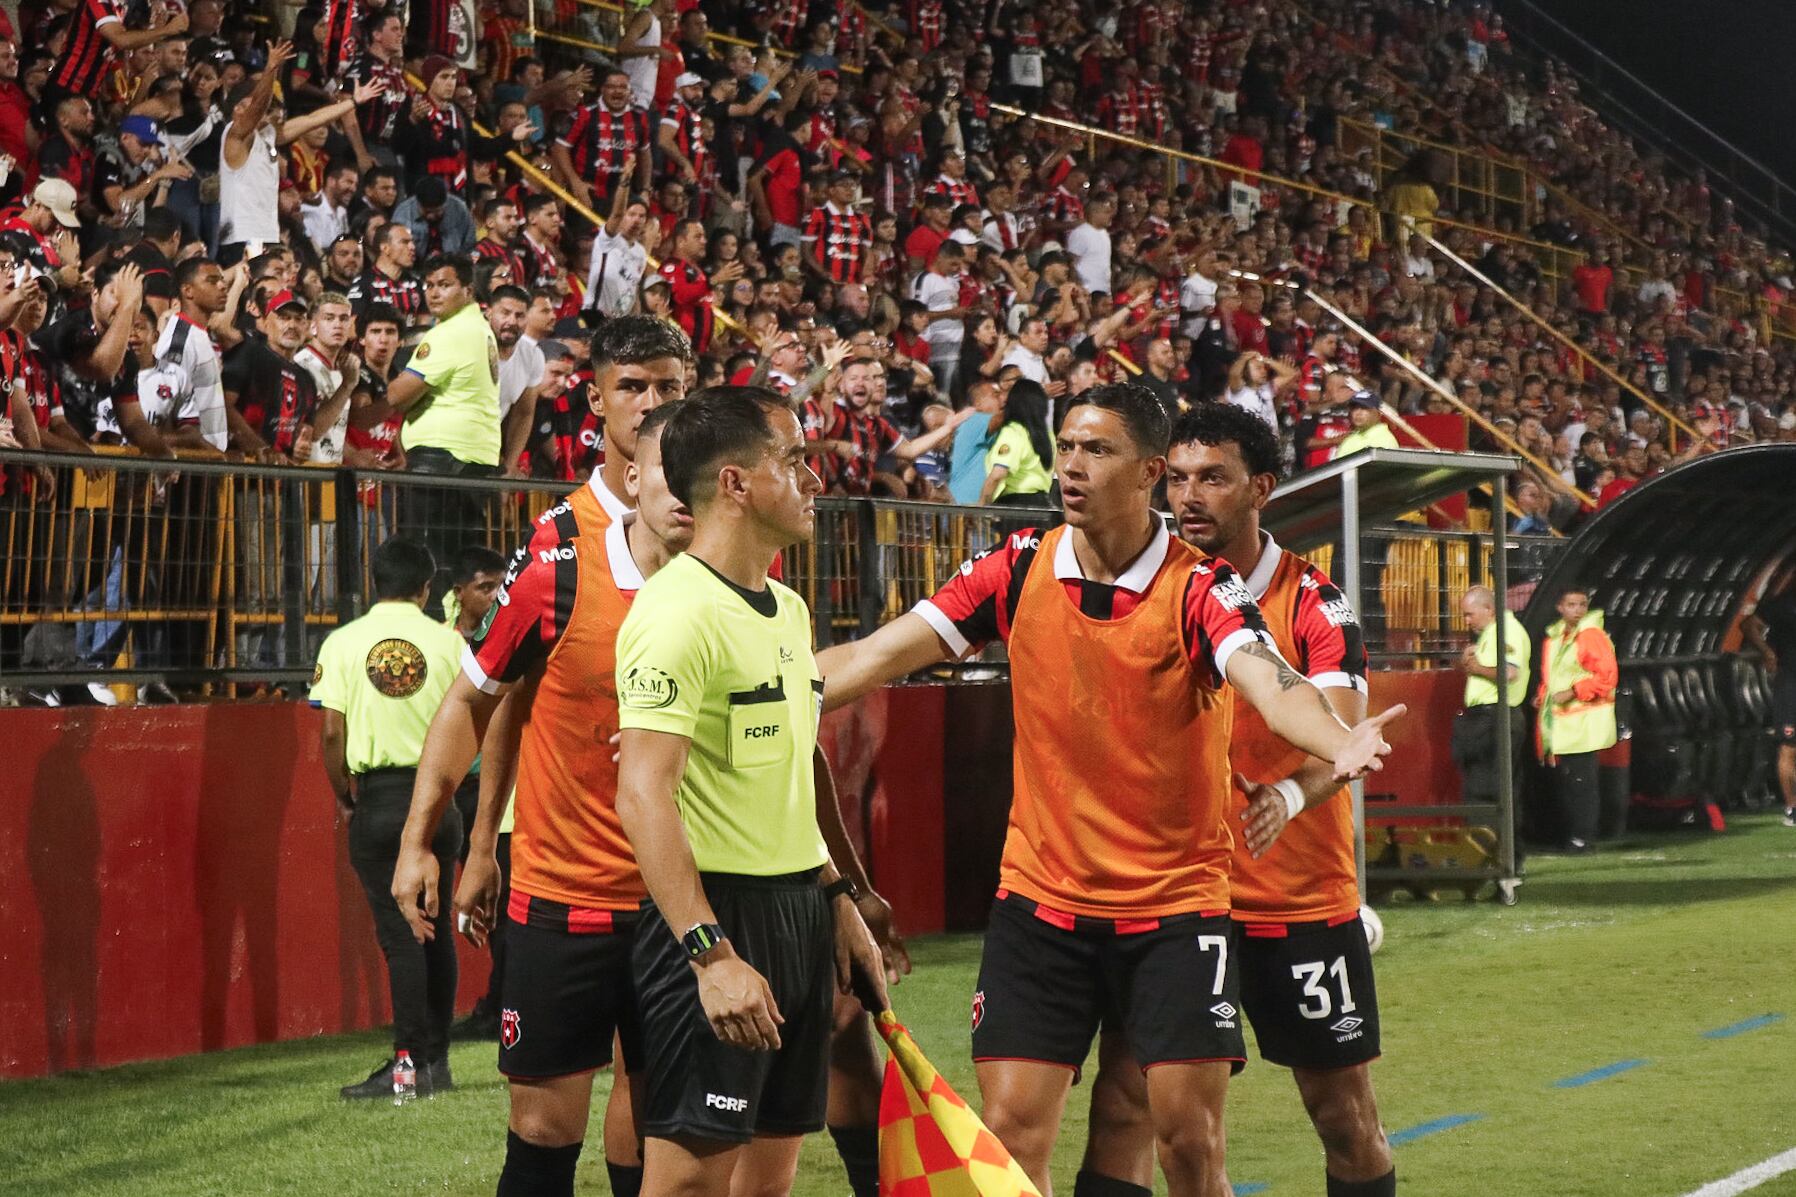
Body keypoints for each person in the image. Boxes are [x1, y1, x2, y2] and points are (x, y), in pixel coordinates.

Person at [812, 383, 1402, 1195]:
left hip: (1176, 910)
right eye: (1066, 448)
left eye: (1097, 450)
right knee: (1012, 1132)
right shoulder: (1016, 565)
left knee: (1189, 1145)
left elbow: (1270, 681)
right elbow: (875, 655)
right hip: (1041, 902)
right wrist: (753, 692)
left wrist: (1340, 740)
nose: (1072, 467)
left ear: (1144, 472)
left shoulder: (1204, 588)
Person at [390, 326, 692, 1197]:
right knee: (542, 1126)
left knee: (658, 1120)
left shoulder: (725, 543)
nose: (651, 401)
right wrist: (456, 841)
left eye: (669, 383)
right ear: (595, 400)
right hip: (566, 887)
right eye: (631, 384)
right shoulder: (557, 551)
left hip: (686, 892)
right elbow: (490, 700)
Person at [1080, 401, 1386, 1197]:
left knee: (1342, 1114)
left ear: (1261, 489)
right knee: (1126, 1104)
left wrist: (1289, 791)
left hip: (1294, 897)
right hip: (1174, 900)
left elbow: (1344, 738)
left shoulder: (1315, 603)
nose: (1188, 497)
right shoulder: (1149, 587)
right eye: (1176, 478)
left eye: (1212, 478)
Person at [613, 386, 887, 1196]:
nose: (811, 479)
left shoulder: (788, 609)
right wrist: (711, 955)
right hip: (717, 920)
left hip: (796, 912)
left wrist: (835, 897)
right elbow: (643, 796)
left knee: (768, 1178)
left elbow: (788, 776)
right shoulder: (674, 615)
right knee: (690, 1181)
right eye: (793, 461)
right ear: (734, 484)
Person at [310, 537, 467, 1100]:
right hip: (439, 801)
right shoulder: (448, 644)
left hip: (379, 800)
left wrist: (345, 796)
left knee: (402, 937)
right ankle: (436, 1061)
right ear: (427, 588)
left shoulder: (344, 642)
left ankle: (408, 1068)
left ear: (373, 580)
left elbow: (331, 732)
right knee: (436, 931)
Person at [387, 254, 501, 582]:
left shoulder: (449, 333)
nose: (434, 293)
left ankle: (434, 626)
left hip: (441, 459)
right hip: (473, 457)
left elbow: (397, 396)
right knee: (462, 561)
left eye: (445, 285)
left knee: (428, 562)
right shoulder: (480, 328)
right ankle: (460, 630)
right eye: (430, 285)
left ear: (468, 290)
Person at [1536, 586, 1619, 852]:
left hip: (1583, 722)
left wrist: (1573, 692)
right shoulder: (1556, 637)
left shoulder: (1589, 636)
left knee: (1581, 782)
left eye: (1582, 604)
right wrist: (1543, 696)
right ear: (1560, 607)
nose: (1578, 610)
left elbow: (1606, 677)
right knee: (1571, 781)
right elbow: (1553, 676)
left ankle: (1583, 837)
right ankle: (1574, 834)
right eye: (1572, 605)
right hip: (1564, 722)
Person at [1454, 585, 1531, 825]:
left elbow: (1509, 672)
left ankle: (1492, 850)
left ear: (1488, 608)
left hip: (1496, 717)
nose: (1467, 621)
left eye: (1470, 614)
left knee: (1488, 787)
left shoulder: (1507, 632)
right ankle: (1496, 850)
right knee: (1490, 784)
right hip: (1490, 717)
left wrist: (1475, 668)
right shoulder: (1492, 633)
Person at [1741, 574, 1796, 826]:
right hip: (1790, 683)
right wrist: (1767, 652)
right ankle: (1792, 807)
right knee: (1789, 746)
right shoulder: (1785, 604)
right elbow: (1749, 625)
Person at [979, 378, 1054, 508]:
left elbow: (998, 474)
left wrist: (981, 505)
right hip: (1043, 505)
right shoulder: (1049, 435)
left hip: (1016, 507)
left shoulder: (1013, 432)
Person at [1331, 391, 1398, 458]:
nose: (1358, 413)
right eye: (1354, 408)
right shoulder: (1350, 439)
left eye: (1364, 408)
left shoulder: (1384, 440)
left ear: (1378, 412)